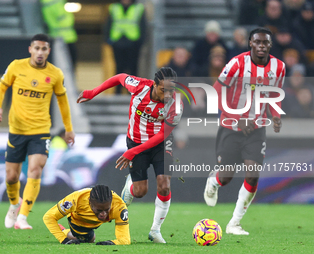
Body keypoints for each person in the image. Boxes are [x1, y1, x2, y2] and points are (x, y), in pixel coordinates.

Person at [77, 67, 183, 243]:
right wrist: (94, 92)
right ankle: (131, 185)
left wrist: (132, 152)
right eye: (164, 90)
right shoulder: (140, 87)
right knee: (140, 192)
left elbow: (163, 134)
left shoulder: (176, 104)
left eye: (172, 90)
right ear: (155, 85)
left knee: (164, 185)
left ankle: (155, 230)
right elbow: (119, 78)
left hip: (161, 144)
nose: (168, 95)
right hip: (136, 141)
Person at [203, 27, 285, 235]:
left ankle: (234, 223)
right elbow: (216, 92)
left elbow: (274, 95)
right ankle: (214, 181)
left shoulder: (279, 67)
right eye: (257, 42)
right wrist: (239, 119)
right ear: (250, 43)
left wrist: (275, 114)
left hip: (257, 128)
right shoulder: (237, 63)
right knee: (227, 176)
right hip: (231, 127)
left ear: (270, 45)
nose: (261, 46)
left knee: (253, 175)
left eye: (265, 43)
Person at [0, 34, 75, 230]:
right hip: (17, 130)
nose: (40, 52)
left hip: (40, 130)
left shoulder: (55, 74)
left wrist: (69, 129)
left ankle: (22, 217)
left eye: (44, 49)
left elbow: (62, 101)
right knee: (12, 177)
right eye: (37, 48)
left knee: (35, 170)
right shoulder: (16, 67)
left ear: (48, 51)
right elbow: (0, 87)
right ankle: (14, 204)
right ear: (30, 49)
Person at [43, 184, 130, 245]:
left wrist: (113, 243)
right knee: (86, 239)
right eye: (99, 210)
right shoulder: (75, 199)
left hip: (95, 223)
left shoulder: (119, 206)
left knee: (90, 238)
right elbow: (49, 217)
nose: (103, 214)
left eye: (107, 209)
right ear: (89, 201)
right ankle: (63, 230)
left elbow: (125, 240)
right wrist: (63, 239)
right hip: (79, 220)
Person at [104, 0, 147, 94]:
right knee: (119, 67)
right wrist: (108, 39)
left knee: (133, 67)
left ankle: (132, 91)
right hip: (118, 41)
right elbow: (109, 23)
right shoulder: (114, 7)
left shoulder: (138, 8)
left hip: (133, 42)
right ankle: (118, 91)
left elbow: (143, 25)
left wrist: (141, 41)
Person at [40, 0, 78, 69]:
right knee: (68, 67)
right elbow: (64, 19)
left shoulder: (46, 1)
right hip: (65, 38)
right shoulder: (55, 1)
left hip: (56, 36)